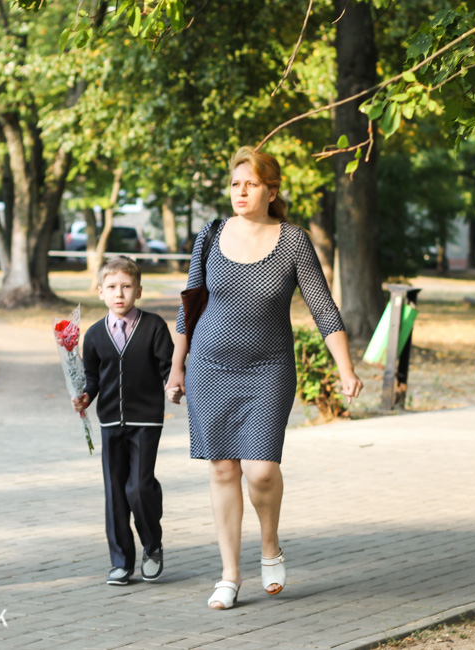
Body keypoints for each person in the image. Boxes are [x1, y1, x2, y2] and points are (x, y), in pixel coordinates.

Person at [165, 146, 362, 610]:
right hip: (209, 366)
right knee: (221, 468)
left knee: (261, 470)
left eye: (251, 184)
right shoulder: (210, 235)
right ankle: (229, 575)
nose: (241, 192)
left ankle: (269, 544)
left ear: (271, 191)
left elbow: (323, 308)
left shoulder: (292, 241)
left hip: (268, 369)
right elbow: (189, 307)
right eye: (235, 184)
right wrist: (176, 367)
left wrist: (346, 368)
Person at [72, 256, 174, 586]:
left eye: (127, 286)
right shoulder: (93, 335)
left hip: (146, 421)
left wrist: (175, 385)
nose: (120, 294)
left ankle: (152, 546)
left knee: (139, 487)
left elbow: (169, 368)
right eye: (112, 287)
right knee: (115, 492)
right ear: (100, 291)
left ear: (138, 291)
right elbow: (91, 378)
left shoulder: (154, 327)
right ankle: (120, 561)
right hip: (109, 424)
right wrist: (85, 396)